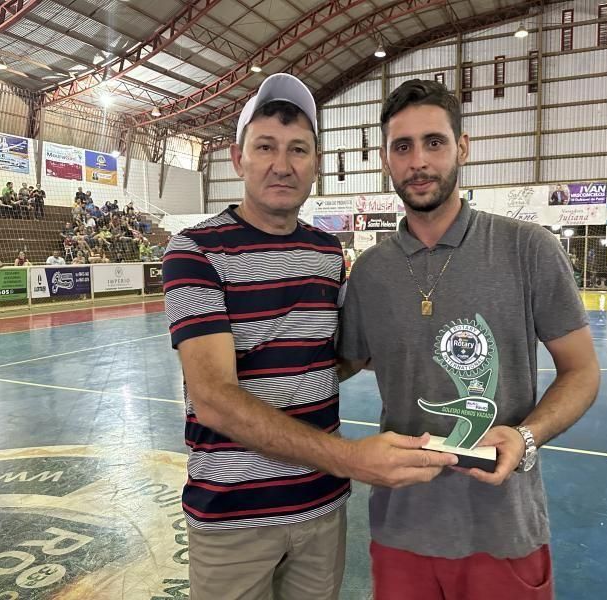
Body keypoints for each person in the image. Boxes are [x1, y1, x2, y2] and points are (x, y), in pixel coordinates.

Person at [162, 73, 455, 600]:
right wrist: (353, 459)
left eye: (298, 149)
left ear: (316, 164)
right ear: (238, 158)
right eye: (266, 147)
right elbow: (213, 401)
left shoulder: (327, 253)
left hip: (321, 510)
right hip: (233, 517)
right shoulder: (194, 252)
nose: (282, 164)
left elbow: (328, 359)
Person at [337, 79, 600, 600]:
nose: (418, 161)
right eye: (402, 146)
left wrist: (526, 436)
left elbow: (582, 371)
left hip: (502, 530)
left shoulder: (528, 248)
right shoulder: (370, 273)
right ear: (386, 160)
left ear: (462, 147)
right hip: (401, 530)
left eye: (434, 142)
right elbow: (346, 362)